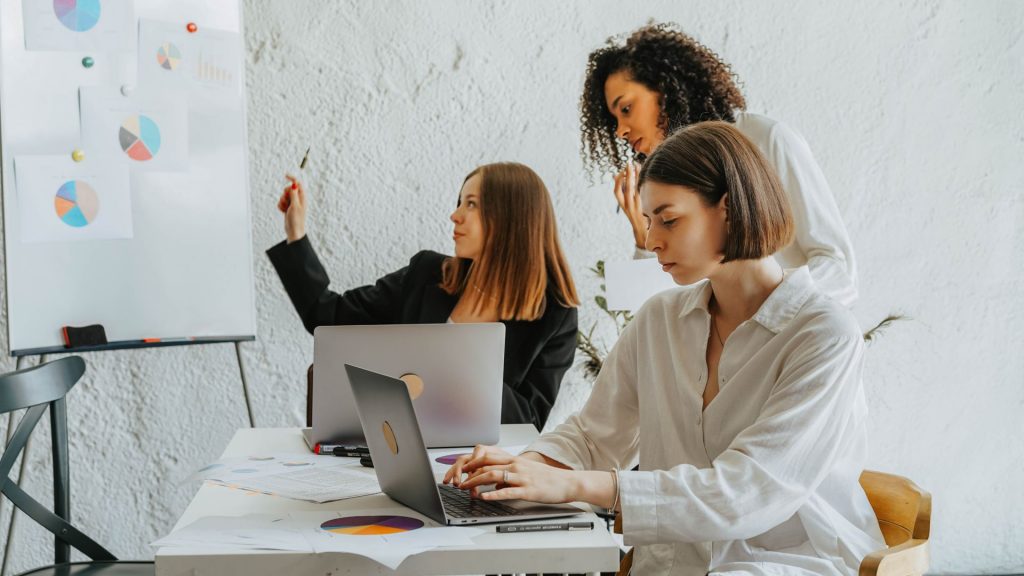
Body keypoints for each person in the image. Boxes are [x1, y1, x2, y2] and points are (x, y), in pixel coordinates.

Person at [444, 123, 885, 576]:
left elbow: (747, 493)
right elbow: (596, 436)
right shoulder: (659, 319)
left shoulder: (823, 334)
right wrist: (520, 468)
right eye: (649, 221)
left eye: (668, 219)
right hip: (671, 563)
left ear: (729, 208)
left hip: (787, 563)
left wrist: (571, 484)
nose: (652, 239)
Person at [267, 162, 579, 430]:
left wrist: (461, 363)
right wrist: (296, 234)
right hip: (396, 447)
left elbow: (530, 422)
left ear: (512, 218)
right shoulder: (427, 274)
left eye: (471, 204)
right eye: (460, 202)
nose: (455, 215)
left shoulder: (555, 315)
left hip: (477, 467)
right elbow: (327, 316)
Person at [581, 23, 858, 306]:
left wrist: (767, 312)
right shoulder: (665, 183)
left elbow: (838, 268)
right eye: (614, 120)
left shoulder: (766, 140)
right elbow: (656, 311)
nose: (620, 131)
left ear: (665, 90)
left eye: (626, 109)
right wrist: (644, 235)